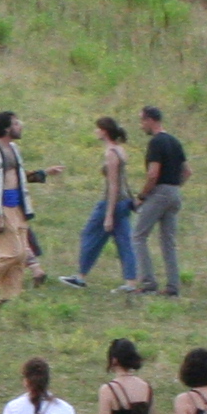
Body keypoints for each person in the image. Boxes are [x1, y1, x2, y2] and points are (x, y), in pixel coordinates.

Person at [62, 117, 138, 292]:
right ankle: (131, 281)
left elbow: (113, 185)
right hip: (124, 202)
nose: (95, 132)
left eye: (98, 129)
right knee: (125, 242)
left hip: (111, 203)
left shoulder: (111, 153)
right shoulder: (120, 150)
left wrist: (109, 214)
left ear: (104, 131)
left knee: (89, 235)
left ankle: (80, 276)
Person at [0, 113, 41, 304]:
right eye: (15, 123)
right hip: (2, 207)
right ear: (5, 128)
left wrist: (43, 174)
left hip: (17, 207)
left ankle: (9, 294)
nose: (20, 126)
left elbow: (19, 175)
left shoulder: (13, 149)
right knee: (11, 252)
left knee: (21, 254)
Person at [128, 107, 186, 299]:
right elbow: (187, 171)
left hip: (159, 193)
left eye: (142, 120)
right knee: (168, 241)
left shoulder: (156, 142)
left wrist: (142, 196)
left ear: (151, 120)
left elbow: (153, 174)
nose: (141, 125)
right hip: (175, 192)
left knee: (138, 235)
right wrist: (175, 187)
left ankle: (148, 282)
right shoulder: (175, 141)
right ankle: (173, 285)